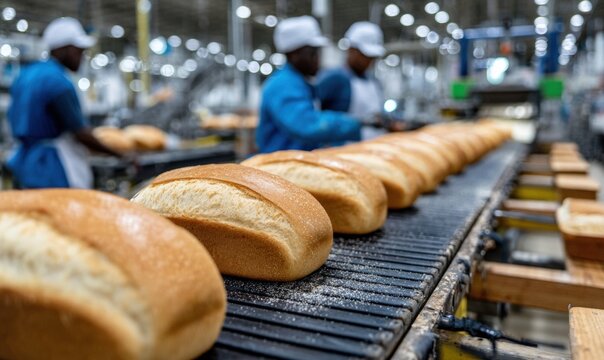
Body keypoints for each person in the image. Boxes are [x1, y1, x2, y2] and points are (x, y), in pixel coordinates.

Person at [7, 17, 122, 189]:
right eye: (78, 51)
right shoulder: (58, 82)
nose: (81, 57)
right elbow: (79, 132)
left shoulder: (25, 74)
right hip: (51, 167)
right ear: (63, 49)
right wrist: (119, 154)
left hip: (25, 163)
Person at [256, 16, 361, 153]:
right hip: (278, 167)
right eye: (312, 53)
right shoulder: (283, 84)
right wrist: (357, 123)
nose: (318, 58)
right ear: (294, 54)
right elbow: (307, 124)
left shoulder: (301, 82)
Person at [317, 21, 386, 140]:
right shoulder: (334, 78)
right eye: (365, 55)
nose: (369, 61)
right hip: (342, 151)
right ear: (351, 49)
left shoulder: (373, 82)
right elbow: (316, 117)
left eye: (372, 57)